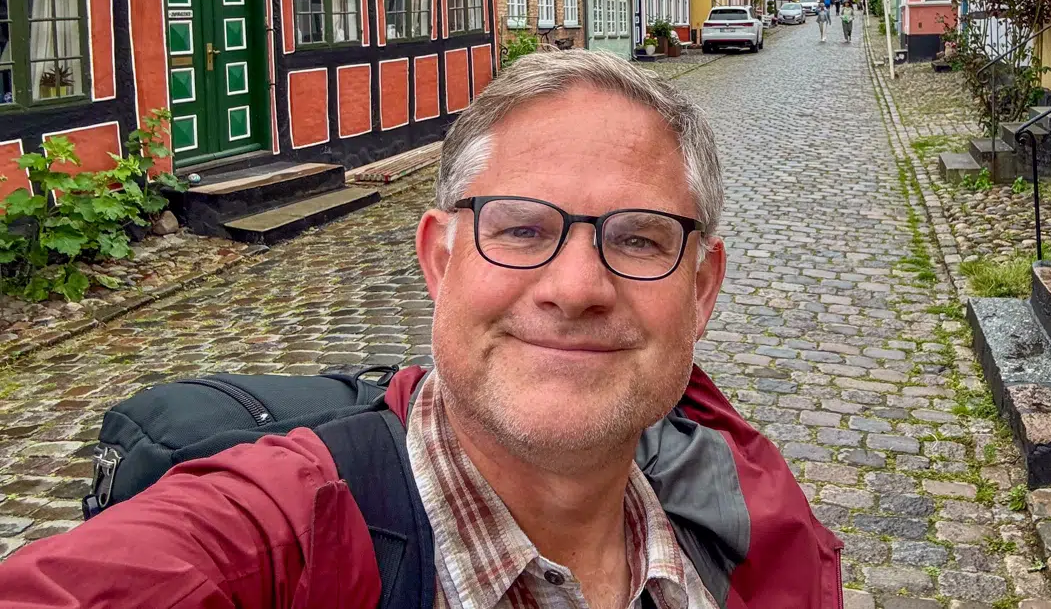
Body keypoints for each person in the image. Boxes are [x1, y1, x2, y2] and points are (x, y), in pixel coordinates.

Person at [0, 51, 842, 609]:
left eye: (637, 239)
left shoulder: (760, 537)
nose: (578, 286)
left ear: (702, 290)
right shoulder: (284, 533)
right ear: (439, 262)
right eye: (518, 229)